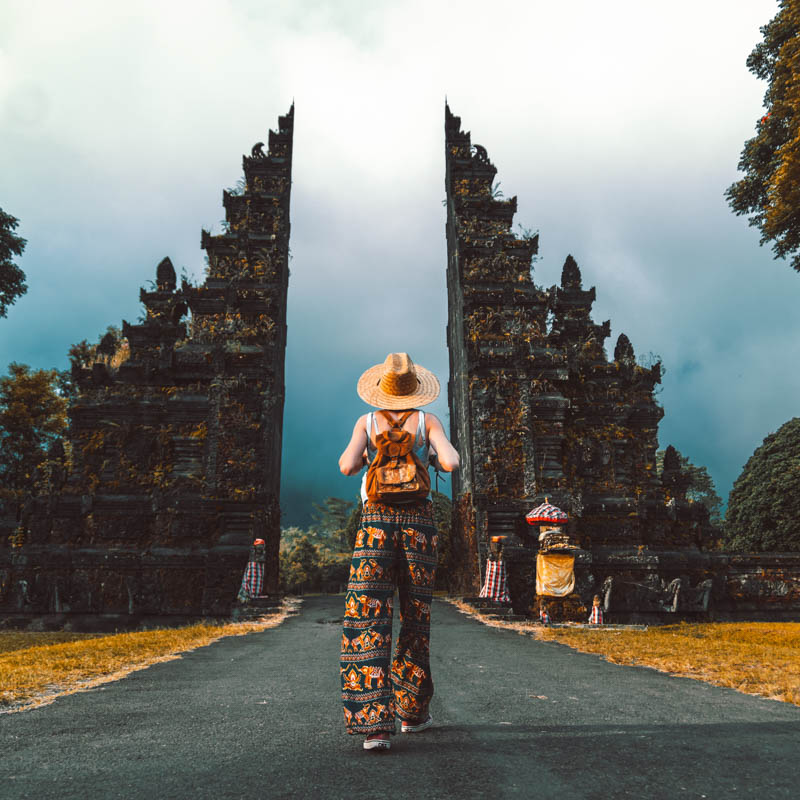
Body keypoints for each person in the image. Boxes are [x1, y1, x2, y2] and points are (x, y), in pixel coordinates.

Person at [338, 353, 459, 752]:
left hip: (374, 524)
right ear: (415, 390)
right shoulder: (427, 421)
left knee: (366, 614)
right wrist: (429, 454)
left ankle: (374, 727)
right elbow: (452, 461)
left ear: (381, 391)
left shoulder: (366, 422)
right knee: (415, 615)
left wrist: (370, 459)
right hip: (419, 526)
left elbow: (346, 467)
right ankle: (412, 712)